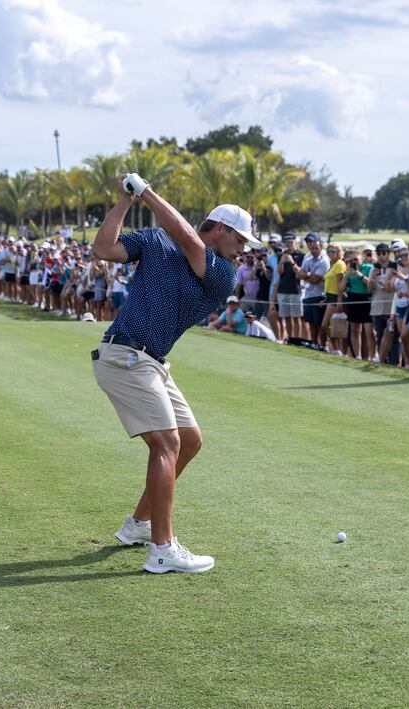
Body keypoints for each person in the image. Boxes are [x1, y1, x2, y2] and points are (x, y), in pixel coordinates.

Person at [92, 172, 258, 574]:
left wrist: (146, 190)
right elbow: (103, 249)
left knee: (189, 440)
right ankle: (162, 549)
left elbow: (187, 238)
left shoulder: (222, 271)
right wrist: (127, 200)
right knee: (166, 445)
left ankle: (139, 525)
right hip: (125, 357)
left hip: (152, 363)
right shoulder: (154, 240)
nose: (242, 251)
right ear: (219, 229)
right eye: (240, 241)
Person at [298, 233, 329, 347]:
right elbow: (298, 275)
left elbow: (316, 280)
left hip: (319, 295)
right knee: (311, 322)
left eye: (316, 248)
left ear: (321, 247)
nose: (314, 250)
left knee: (319, 323)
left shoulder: (324, 260)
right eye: (312, 248)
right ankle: (314, 343)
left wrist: (306, 275)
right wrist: (308, 275)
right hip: (308, 294)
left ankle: (322, 345)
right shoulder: (308, 259)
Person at [273, 233, 304, 341]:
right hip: (283, 289)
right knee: (286, 317)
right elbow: (279, 272)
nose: (289, 244)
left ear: (295, 242)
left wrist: (291, 261)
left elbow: (299, 272)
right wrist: (282, 261)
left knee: (296, 317)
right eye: (287, 242)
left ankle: (297, 339)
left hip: (295, 289)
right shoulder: (281, 255)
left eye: (291, 242)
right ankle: (290, 339)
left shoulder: (301, 255)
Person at [320, 244, 347, 355]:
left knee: (327, 325)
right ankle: (335, 349)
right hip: (330, 297)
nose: (331, 253)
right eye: (329, 251)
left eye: (333, 251)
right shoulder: (333, 264)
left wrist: (339, 300)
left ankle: (337, 349)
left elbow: (341, 284)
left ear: (338, 252)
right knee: (329, 325)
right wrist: (325, 299)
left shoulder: (340, 264)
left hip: (336, 298)